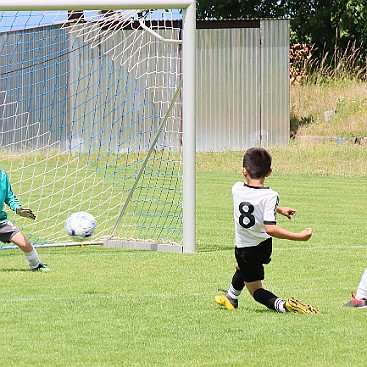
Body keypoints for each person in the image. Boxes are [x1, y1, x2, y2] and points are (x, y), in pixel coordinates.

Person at [215, 147, 317, 314]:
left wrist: (299, 237)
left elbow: (270, 227)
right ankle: (231, 297)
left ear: (243, 171)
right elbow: (259, 205)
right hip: (263, 246)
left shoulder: (236, 189)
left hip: (246, 249)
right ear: (269, 172)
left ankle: (285, 306)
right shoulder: (270, 196)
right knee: (242, 267)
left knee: (255, 290)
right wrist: (279, 208)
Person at [0, 169, 50, 272]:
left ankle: (36, 265)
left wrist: (18, 209)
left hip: (1, 221)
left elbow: (9, 197)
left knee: (25, 244)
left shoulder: (3, 175)